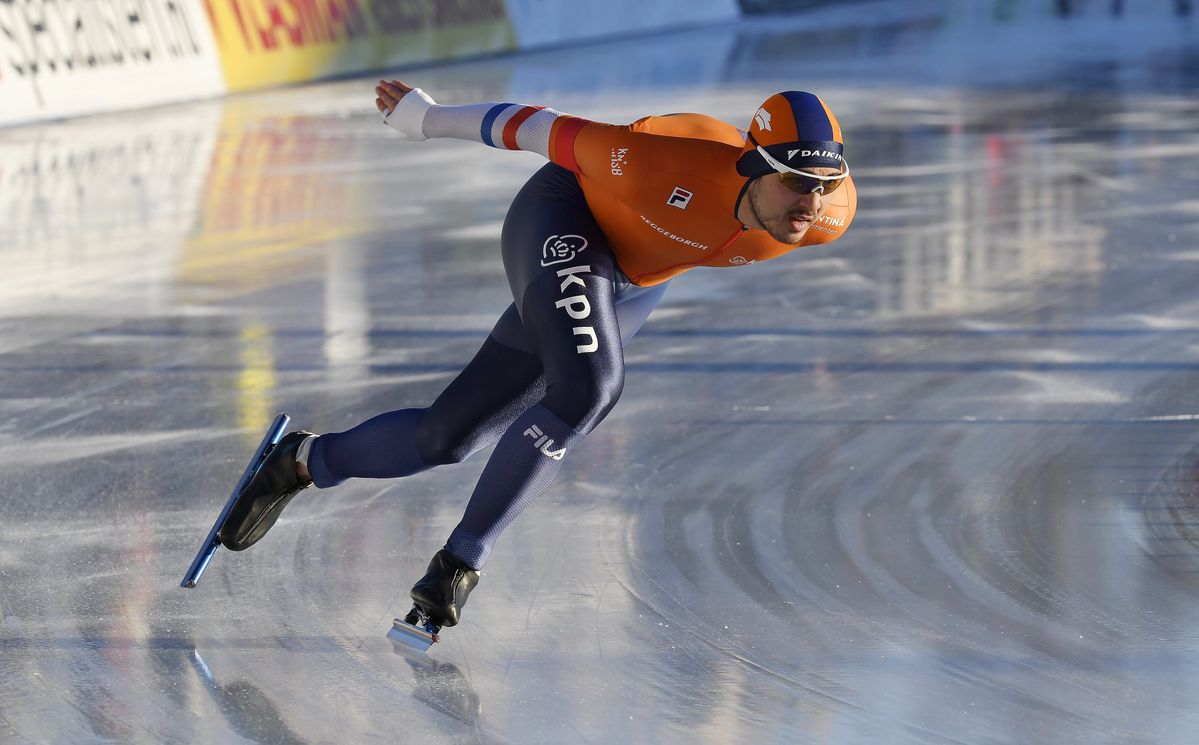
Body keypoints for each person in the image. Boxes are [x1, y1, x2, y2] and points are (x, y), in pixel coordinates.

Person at [216, 78, 858, 633]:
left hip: (635, 279)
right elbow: (531, 126)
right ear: (752, 166)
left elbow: (816, 199)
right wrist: (425, 119)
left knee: (446, 439)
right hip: (565, 218)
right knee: (588, 388)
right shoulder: (654, 163)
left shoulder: (830, 215)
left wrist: (819, 191)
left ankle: (299, 462)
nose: (813, 202)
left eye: (827, 183)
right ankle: (460, 563)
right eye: (798, 181)